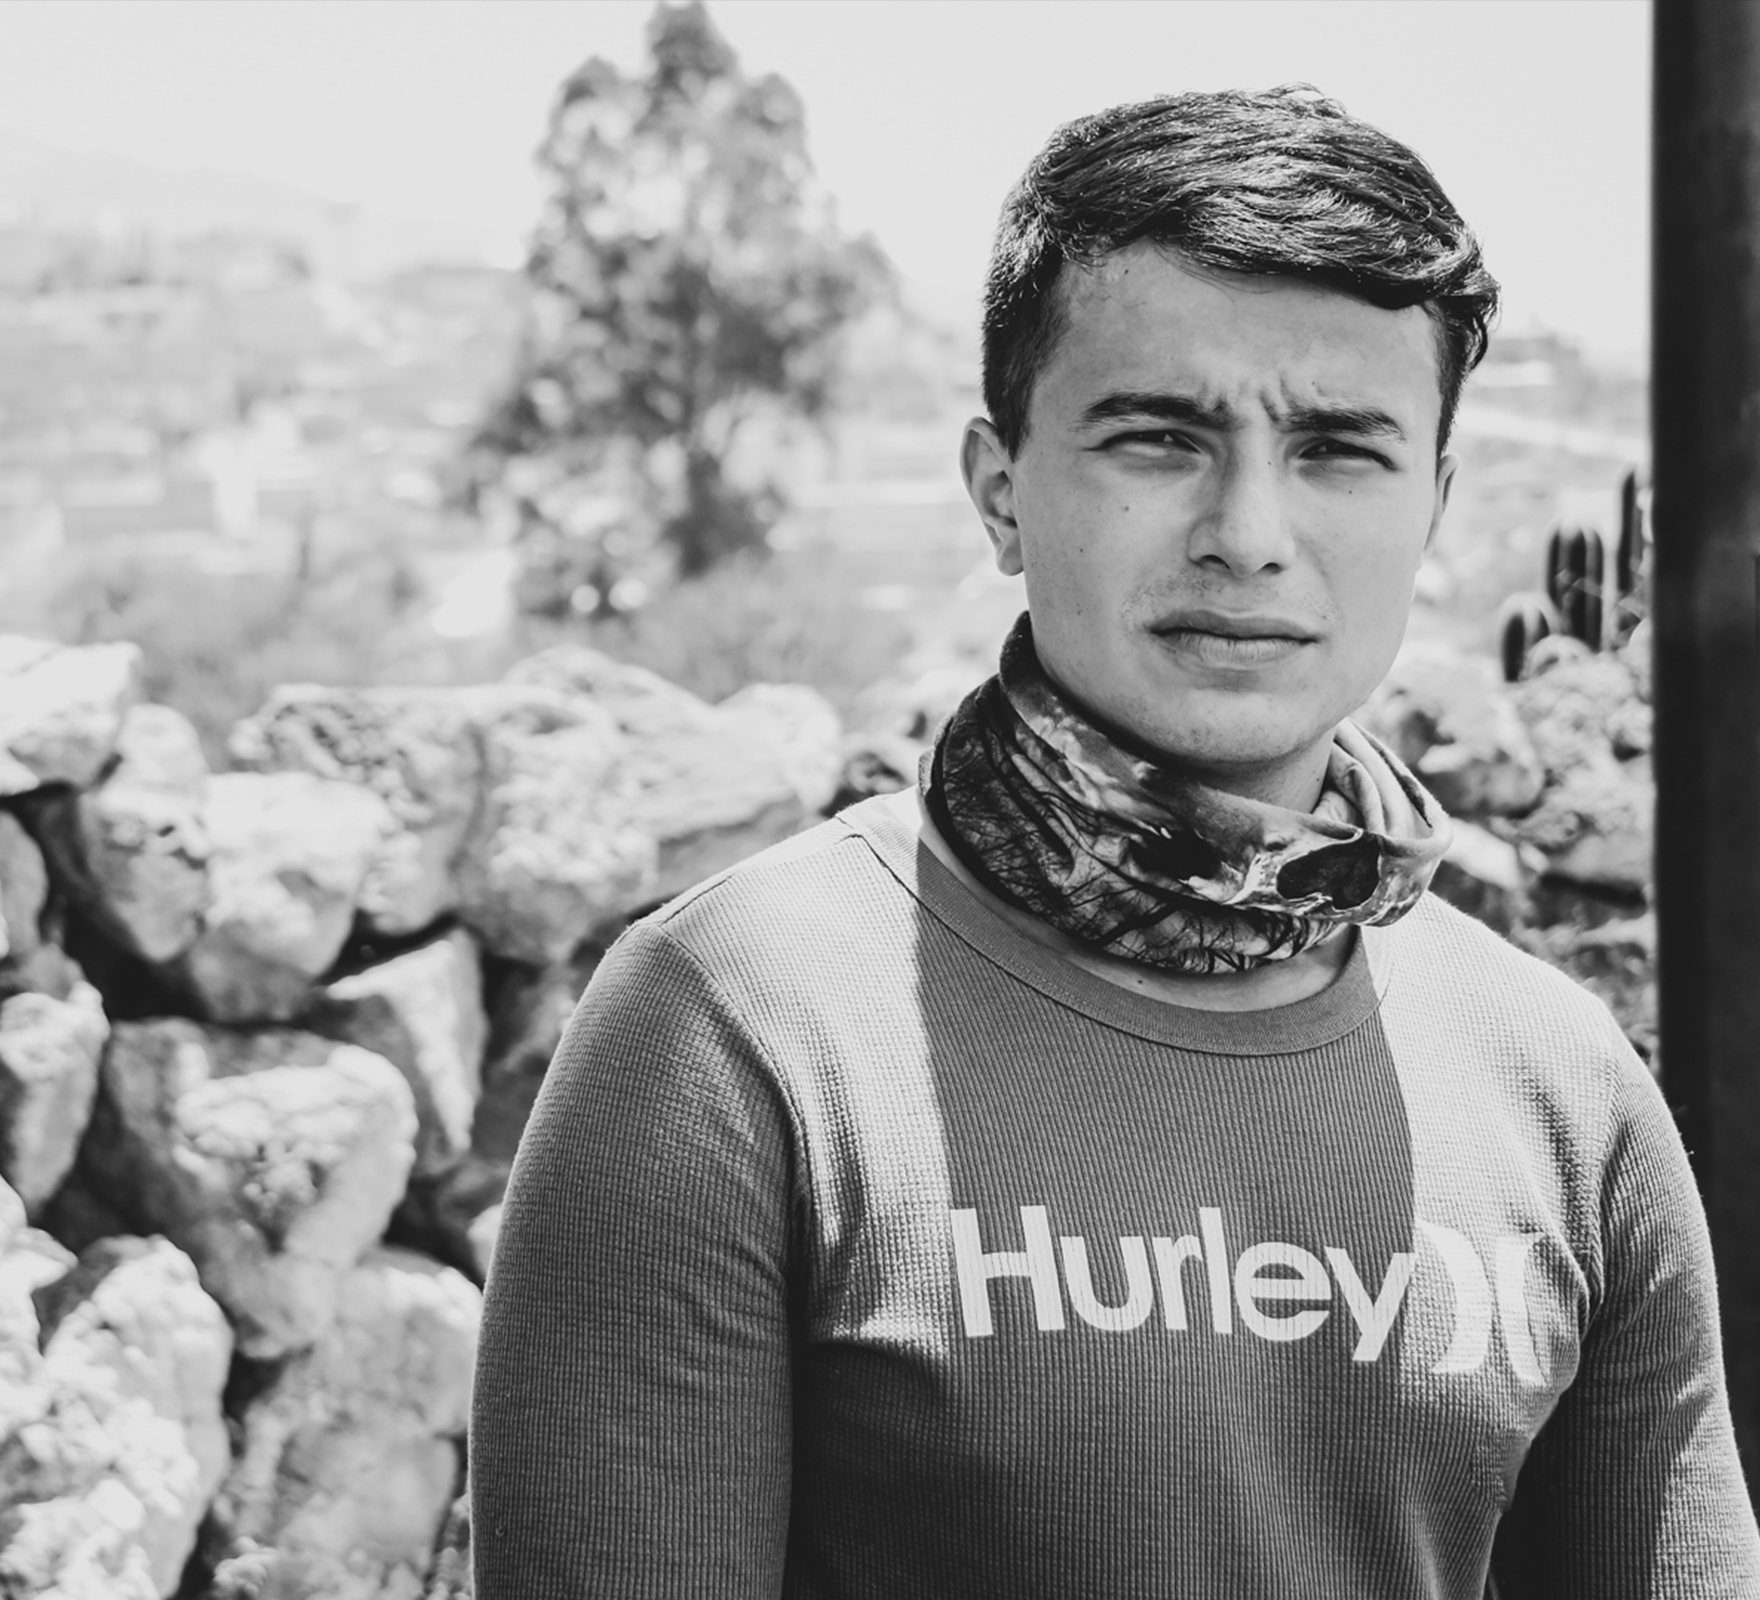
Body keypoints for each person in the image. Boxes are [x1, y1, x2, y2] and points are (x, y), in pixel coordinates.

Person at [470, 86, 1760, 1597]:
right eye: (1159, 438)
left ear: (1433, 507)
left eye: (1341, 449)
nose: (1250, 531)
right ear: (1001, 488)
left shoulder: (1563, 1089)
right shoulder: (736, 1029)